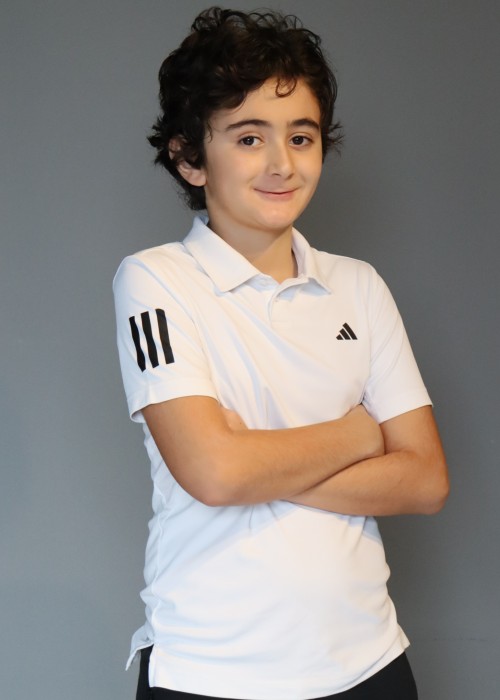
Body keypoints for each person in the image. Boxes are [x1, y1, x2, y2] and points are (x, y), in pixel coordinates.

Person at [113, 7, 449, 700]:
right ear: (189, 157)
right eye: (248, 137)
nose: (282, 164)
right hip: (208, 672)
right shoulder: (155, 280)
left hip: (369, 664)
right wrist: (359, 436)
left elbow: (425, 480)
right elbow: (214, 473)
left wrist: (253, 463)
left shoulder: (358, 285)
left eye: (301, 136)